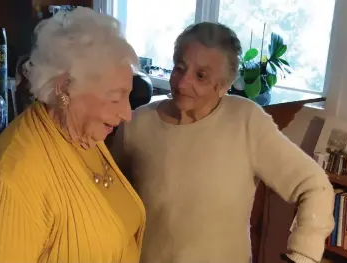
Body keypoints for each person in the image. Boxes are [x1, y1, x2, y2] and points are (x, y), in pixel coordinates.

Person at [112, 22, 334, 263]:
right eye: (179, 68)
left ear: (224, 86)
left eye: (200, 76)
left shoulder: (245, 120)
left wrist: (303, 256)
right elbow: (108, 197)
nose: (183, 83)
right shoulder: (136, 122)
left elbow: (314, 185)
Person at [0, 7, 145, 263]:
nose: (127, 114)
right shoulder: (15, 177)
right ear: (65, 88)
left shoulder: (83, 132)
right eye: (116, 98)